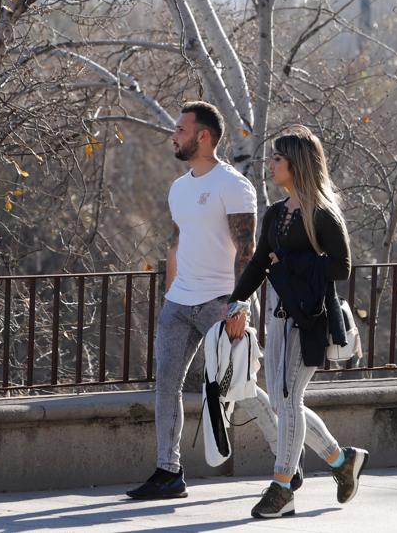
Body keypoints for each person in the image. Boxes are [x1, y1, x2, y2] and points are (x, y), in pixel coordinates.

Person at [127, 101, 311, 500]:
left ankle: (289, 463)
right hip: (179, 303)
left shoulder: (233, 185)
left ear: (203, 136)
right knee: (166, 386)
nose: (173, 136)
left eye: (180, 129)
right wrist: (169, 297)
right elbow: (178, 244)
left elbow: (247, 253)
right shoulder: (179, 188)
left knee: (240, 387)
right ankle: (168, 471)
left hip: (219, 303)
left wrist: (240, 305)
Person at [228, 125, 369, 519]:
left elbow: (341, 267)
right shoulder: (275, 213)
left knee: (287, 400)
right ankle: (341, 461)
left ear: (297, 164)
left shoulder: (322, 214)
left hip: (309, 320)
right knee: (283, 401)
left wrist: (289, 263)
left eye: (278, 158)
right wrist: (236, 302)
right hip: (277, 317)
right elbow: (259, 263)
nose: (271, 164)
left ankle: (283, 485)